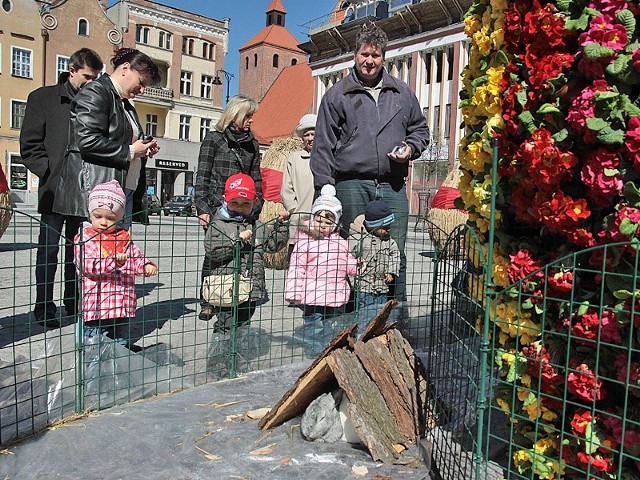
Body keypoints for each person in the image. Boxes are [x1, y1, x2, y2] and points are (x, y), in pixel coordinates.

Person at [310, 21, 430, 308]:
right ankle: (347, 316)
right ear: (355, 55)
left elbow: (420, 131)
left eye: (375, 56)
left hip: (392, 185)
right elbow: (323, 145)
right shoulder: (337, 95)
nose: (369, 61)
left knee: (395, 252)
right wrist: (325, 189)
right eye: (364, 54)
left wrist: (410, 148)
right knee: (351, 250)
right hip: (350, 184)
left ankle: (393, 318)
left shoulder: (402, 93)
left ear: (384, 58)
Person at [20, 48, 103, 327]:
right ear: (72, 70)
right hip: (54, 188)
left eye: (96, 78)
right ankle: (43, 306)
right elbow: (30, 145)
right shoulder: (42, 98)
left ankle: (74, 302)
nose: (92, 83)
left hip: (84, 188)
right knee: (47, 252)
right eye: (87, 77)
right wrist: (48, 173)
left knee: (76, 252)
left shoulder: (93, 103)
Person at [53, 48, 161, 224]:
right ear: (125, 69)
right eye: (141, 82)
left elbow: (123, 138)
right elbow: (87, 141)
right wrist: (131, 151)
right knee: (97, 250)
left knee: (117, 250)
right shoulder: (97, 92)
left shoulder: (124, 103)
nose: (142, 90)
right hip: (99, 195)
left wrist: (144, 146)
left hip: (119, 190)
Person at [194, 94, 262, 320]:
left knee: (241, 252)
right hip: (217, 206)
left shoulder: (252, 143)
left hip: (244, 206)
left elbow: (257, 178)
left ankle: (239, 292)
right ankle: (208, 298)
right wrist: (202, 207)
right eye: (248, 116)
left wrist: (257, 204)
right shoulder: (214, 139)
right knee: (215, 253)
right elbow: (202, 175)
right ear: (235, 115)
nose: (251, 120)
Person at [74, 180, 158, 350]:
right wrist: (114, 262)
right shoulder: (85, 239)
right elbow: (88, 266)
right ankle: (94, 372)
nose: (104, 222)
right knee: (94, 343)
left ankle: (115, 371)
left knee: (119, 343)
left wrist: (145, 265)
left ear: (119, 217)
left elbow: (135, 257)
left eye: (111, 218)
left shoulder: (124, 239)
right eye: (98, 216)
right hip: (96, 306)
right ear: (90, 214)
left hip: (121, 304)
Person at [201, 173, 289, 330]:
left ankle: (240, 349)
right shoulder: (218, 225)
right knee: (226, 324)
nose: (240, 207)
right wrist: (236, 242)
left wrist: (281, 226)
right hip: (225, 288)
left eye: (246, 203)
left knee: (244, 322)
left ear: (254, 203)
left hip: (251, 288)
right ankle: (222, 351)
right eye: (234, 202)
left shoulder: (257, 226)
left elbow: (273, 246)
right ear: (225, 200)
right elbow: (212, 252)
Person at [285, 185, 362, 357]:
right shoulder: (306, 241)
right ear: (313, 219)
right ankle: (314, 354)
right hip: (313, 296)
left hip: (334, 295)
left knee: (330, 326)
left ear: (336, 224)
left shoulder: (341, 243)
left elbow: (346, 265)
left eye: (328, 222)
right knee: (314, 326)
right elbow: (297, 268)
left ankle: (326, 352)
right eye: (319, 221)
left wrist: (356, 266)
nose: (323, 225)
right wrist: (294, 292)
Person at [350, 200, 401, 333]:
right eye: (384, 227)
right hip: (364, 286)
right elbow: (348, 256)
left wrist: (391, 271)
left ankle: (376, 334)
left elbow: (395, 255)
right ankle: (361, 335)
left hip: (381, 286)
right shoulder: (358, 239)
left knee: (380, 313)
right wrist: (353, 270)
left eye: (389, 226)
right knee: (364, 313)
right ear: (373, 225)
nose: (388, 229)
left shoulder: (389, 241)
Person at [280, 113, 317, 257]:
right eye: (306, 135)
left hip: (323, 221)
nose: (310, 138)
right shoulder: (294, 159)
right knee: (297, 265)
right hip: (300, 220)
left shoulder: (328, 157)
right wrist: (295, 210)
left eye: (313, 134)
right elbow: (286, 189)